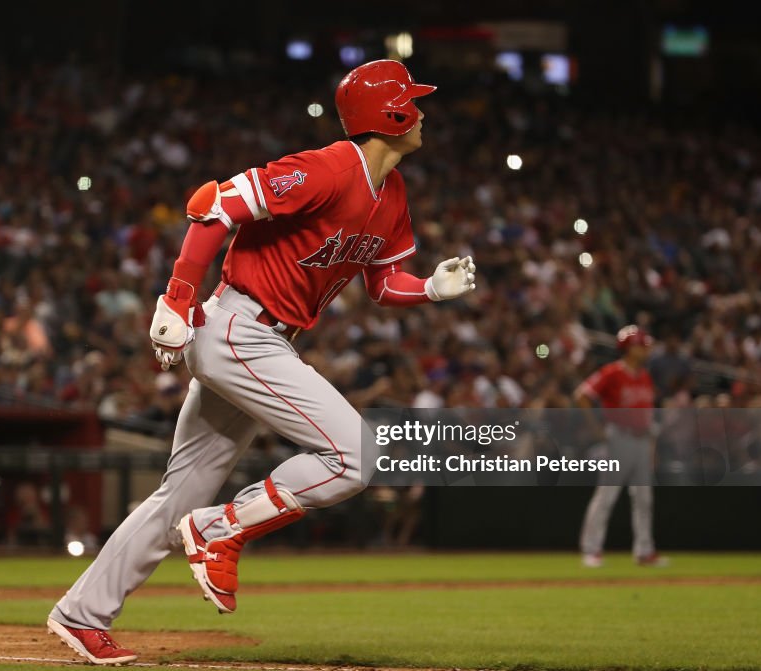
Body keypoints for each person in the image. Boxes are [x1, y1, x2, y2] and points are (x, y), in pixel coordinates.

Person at [47, 59, 477, 664]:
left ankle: (80, 614)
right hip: (238, 328)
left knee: (178, 495)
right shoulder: (327, 168)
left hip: (266, 339)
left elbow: (383, 283)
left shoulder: (394, 193)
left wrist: (428, 288)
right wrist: (178, 293)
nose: (424, 111)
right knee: (356, 454)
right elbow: (214, 203)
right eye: (415, 101)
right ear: (392, 114)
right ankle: (219, 530)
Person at [577, 325, 668, 568]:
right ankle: (591, 549)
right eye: (641, 345)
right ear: (629, 348)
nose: (646, 349)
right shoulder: (612, 373)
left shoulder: (645, 376)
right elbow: (583, 395)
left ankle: (644, 551)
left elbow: (647, 414)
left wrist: (652, 445)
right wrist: (596, 429)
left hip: (641, 439)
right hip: (619, 438)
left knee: (644, 498)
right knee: (607, 495)